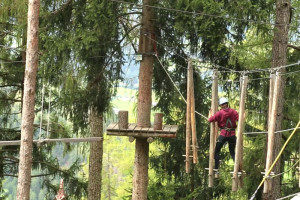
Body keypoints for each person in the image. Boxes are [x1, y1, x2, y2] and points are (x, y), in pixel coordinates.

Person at [208, 97, 239, 174]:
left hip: (223, 135)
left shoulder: (219, 113)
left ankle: (216, 170)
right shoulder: (233, 111)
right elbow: (240, 119)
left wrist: (210, 113)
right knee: (232, 152)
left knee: (217, 151)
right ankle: (237, 169)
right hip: (232, 135)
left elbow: (210, 119)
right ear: (227, 104)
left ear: (221, 105)